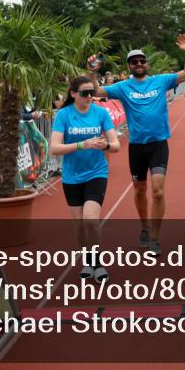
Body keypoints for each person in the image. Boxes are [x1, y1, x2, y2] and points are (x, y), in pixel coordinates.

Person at [89, 36, 185, 253]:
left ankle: (154, 238)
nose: (138, 64)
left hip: (158, 145)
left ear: (147, 63)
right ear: (129, 66)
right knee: (139, 190)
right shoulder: (123, 87)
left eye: (141, 61)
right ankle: (145, 227)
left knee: (158, 191)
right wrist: (92, 72)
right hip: (137, 147)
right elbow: (96, 91)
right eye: (134, 62)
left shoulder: (161, 81)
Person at [49, 76, 121, 283]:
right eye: (85, 93)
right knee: (80, 224)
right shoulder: (64, 115)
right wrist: (82, 145)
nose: (90, 96)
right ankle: (87, 260)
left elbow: (115, 145)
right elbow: (54, 148)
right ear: (73, 94)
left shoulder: (100, 113)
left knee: (90, 219)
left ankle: (97, 263)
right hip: (72, 176)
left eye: (92, 92)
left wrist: (106, 145)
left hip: (96, 172)